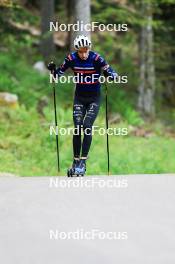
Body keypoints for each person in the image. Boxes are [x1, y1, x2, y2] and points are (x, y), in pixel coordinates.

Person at [48, 35, 118, 176]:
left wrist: (109, 75)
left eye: (86, 50)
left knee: (87, 126)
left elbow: (113, 73)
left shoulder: (97, 58)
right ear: (77, 50)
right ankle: (75, 161)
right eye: (81, 51)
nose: (84, 54)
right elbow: (57, 75)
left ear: (89, 49)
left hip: (94, 98)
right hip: (79, 98)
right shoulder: (71, 59)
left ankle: (83, 162)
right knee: (78, 127)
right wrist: (52, 70)